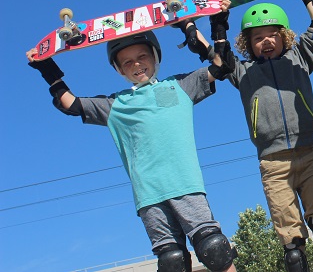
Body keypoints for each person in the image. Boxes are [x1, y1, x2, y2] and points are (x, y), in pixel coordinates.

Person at [26, 21, 238, 272]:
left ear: (155, 56)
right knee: (173, 262)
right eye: (127, 62)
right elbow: (70, 104)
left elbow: (222, 66)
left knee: (214, 248)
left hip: (185, 186)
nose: (136, 64)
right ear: (118, 70)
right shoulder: (116, 104)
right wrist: (45, 66)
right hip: (148, 197)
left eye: (141, 56)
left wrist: (194, 29)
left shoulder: (180, 86)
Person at [211, 0, 313, 272]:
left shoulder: (300, 57)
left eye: (273, 35)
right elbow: (219, 56)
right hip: (273, 164)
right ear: (248, 44)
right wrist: (219, 21)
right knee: (293, 248)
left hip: (310, 154)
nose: (267, 41)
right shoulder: (242, 72)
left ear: (285, 37)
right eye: (258, 37)